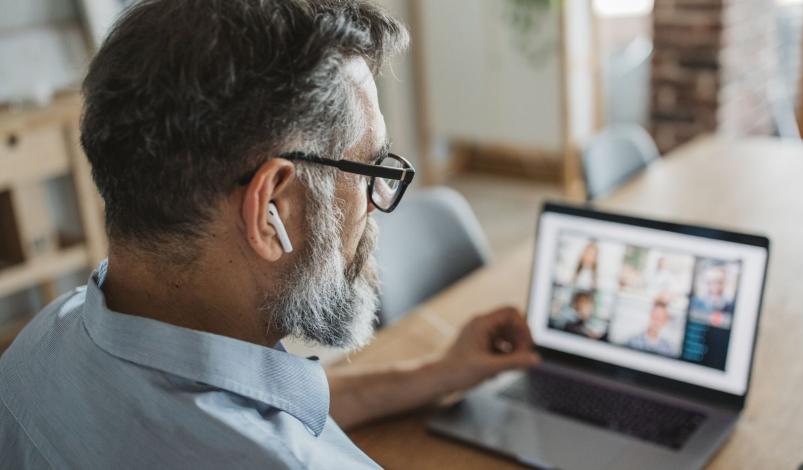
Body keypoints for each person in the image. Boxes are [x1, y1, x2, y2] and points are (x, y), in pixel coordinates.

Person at [0, 1, 539, 468]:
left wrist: (437, 373)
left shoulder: (39, 346)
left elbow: (245, 406)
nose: (378, 206)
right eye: (371, 170)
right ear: (271, 210)